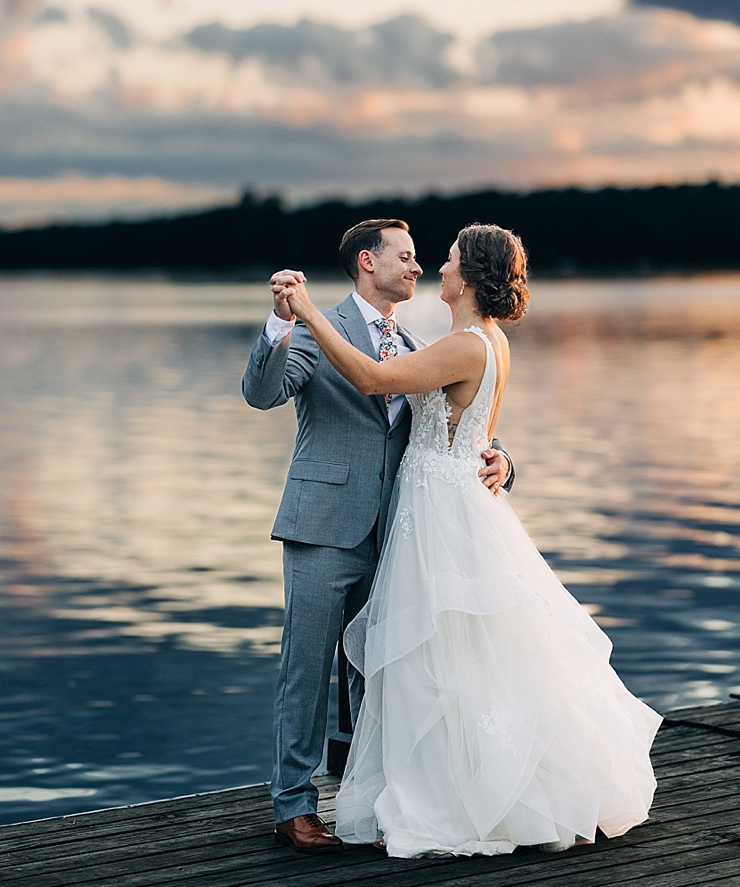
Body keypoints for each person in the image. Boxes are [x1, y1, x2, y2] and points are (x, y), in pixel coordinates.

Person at [278, 223, 662, 858]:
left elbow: (378, 381)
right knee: (452, 658)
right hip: (425, 509)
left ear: (472, 278)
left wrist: (310, 310)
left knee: (439, 658)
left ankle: (447, 795)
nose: (435, 268)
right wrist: (501, 461)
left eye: (449, 261)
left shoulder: (462, 344)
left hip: (437, 519)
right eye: (425, 257)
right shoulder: (476, 341)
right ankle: (403, 788)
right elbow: (473, 426)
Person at [241, 218, 512, 853]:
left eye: (425, 259)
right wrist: (282, 324)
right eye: (407, 257)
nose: (418, 268)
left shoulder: (423, 341)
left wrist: (502, 456)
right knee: (306, 670)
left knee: (383, 669)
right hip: (323, 526)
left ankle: (381, 800)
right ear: (369, 261)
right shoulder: (317, 327)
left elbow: (454, 425)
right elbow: (262, 393)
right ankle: (295, 805)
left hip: (401, 534)